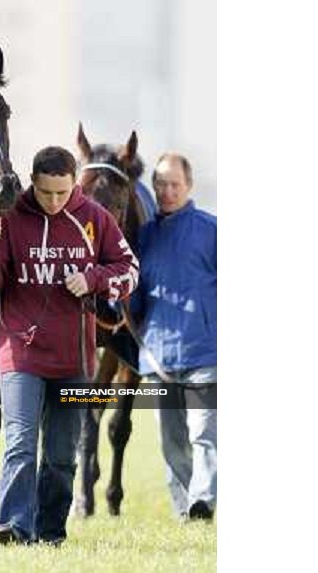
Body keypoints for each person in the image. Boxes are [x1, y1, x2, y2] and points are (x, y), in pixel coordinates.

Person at [0, 146, 140, 545]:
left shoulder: (95, 218)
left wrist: (94, 279)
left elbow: (130, 271)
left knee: (62, 457)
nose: (54, 201)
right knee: (20, 446)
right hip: (20, 354)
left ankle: (49, 534)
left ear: (74, 184)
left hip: (74, 360)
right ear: (33, 182)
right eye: (46, 193)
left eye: (63, 194)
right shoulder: (9, 219)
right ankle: (12, 528)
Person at [131, 153, 217, 522]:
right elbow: (132, 296)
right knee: (172, 443)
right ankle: (187, 511)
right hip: (157, 358)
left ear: (189, 186)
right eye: (161, 185)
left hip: (204, 354)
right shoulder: (142, 237)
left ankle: (203, 501)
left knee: (203, 433)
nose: (166, 192)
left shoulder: (212, 231)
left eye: (174, 185)